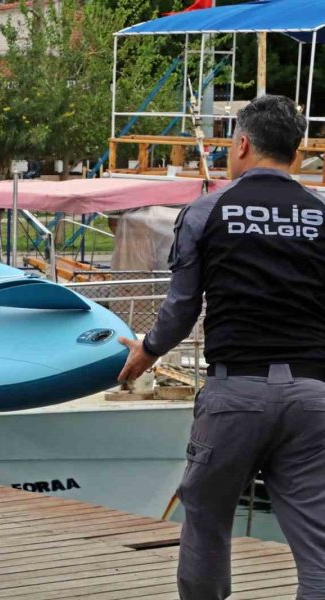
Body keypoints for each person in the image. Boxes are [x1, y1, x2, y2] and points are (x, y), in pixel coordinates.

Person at [118, 95, 325, 600]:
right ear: (296, 155)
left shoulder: (207, 212)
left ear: (242, 144)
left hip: (236, 394)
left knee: (208, 522)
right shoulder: (321, 214)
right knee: (318, 545)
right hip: (313, 397)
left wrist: (146, 351)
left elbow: (182, 307)